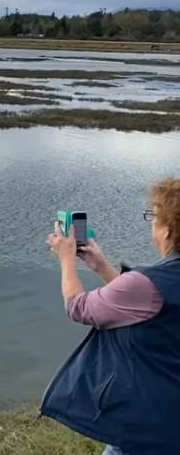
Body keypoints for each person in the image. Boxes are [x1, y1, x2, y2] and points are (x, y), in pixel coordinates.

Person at [42, 177, 180, 455]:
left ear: (168, 231)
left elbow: (78, 307)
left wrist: (66, 259)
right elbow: (149, 305)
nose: (151, 223)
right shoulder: (159, 282)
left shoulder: (146, 283)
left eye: (154, 216)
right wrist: (101, 266)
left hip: (147, 422)